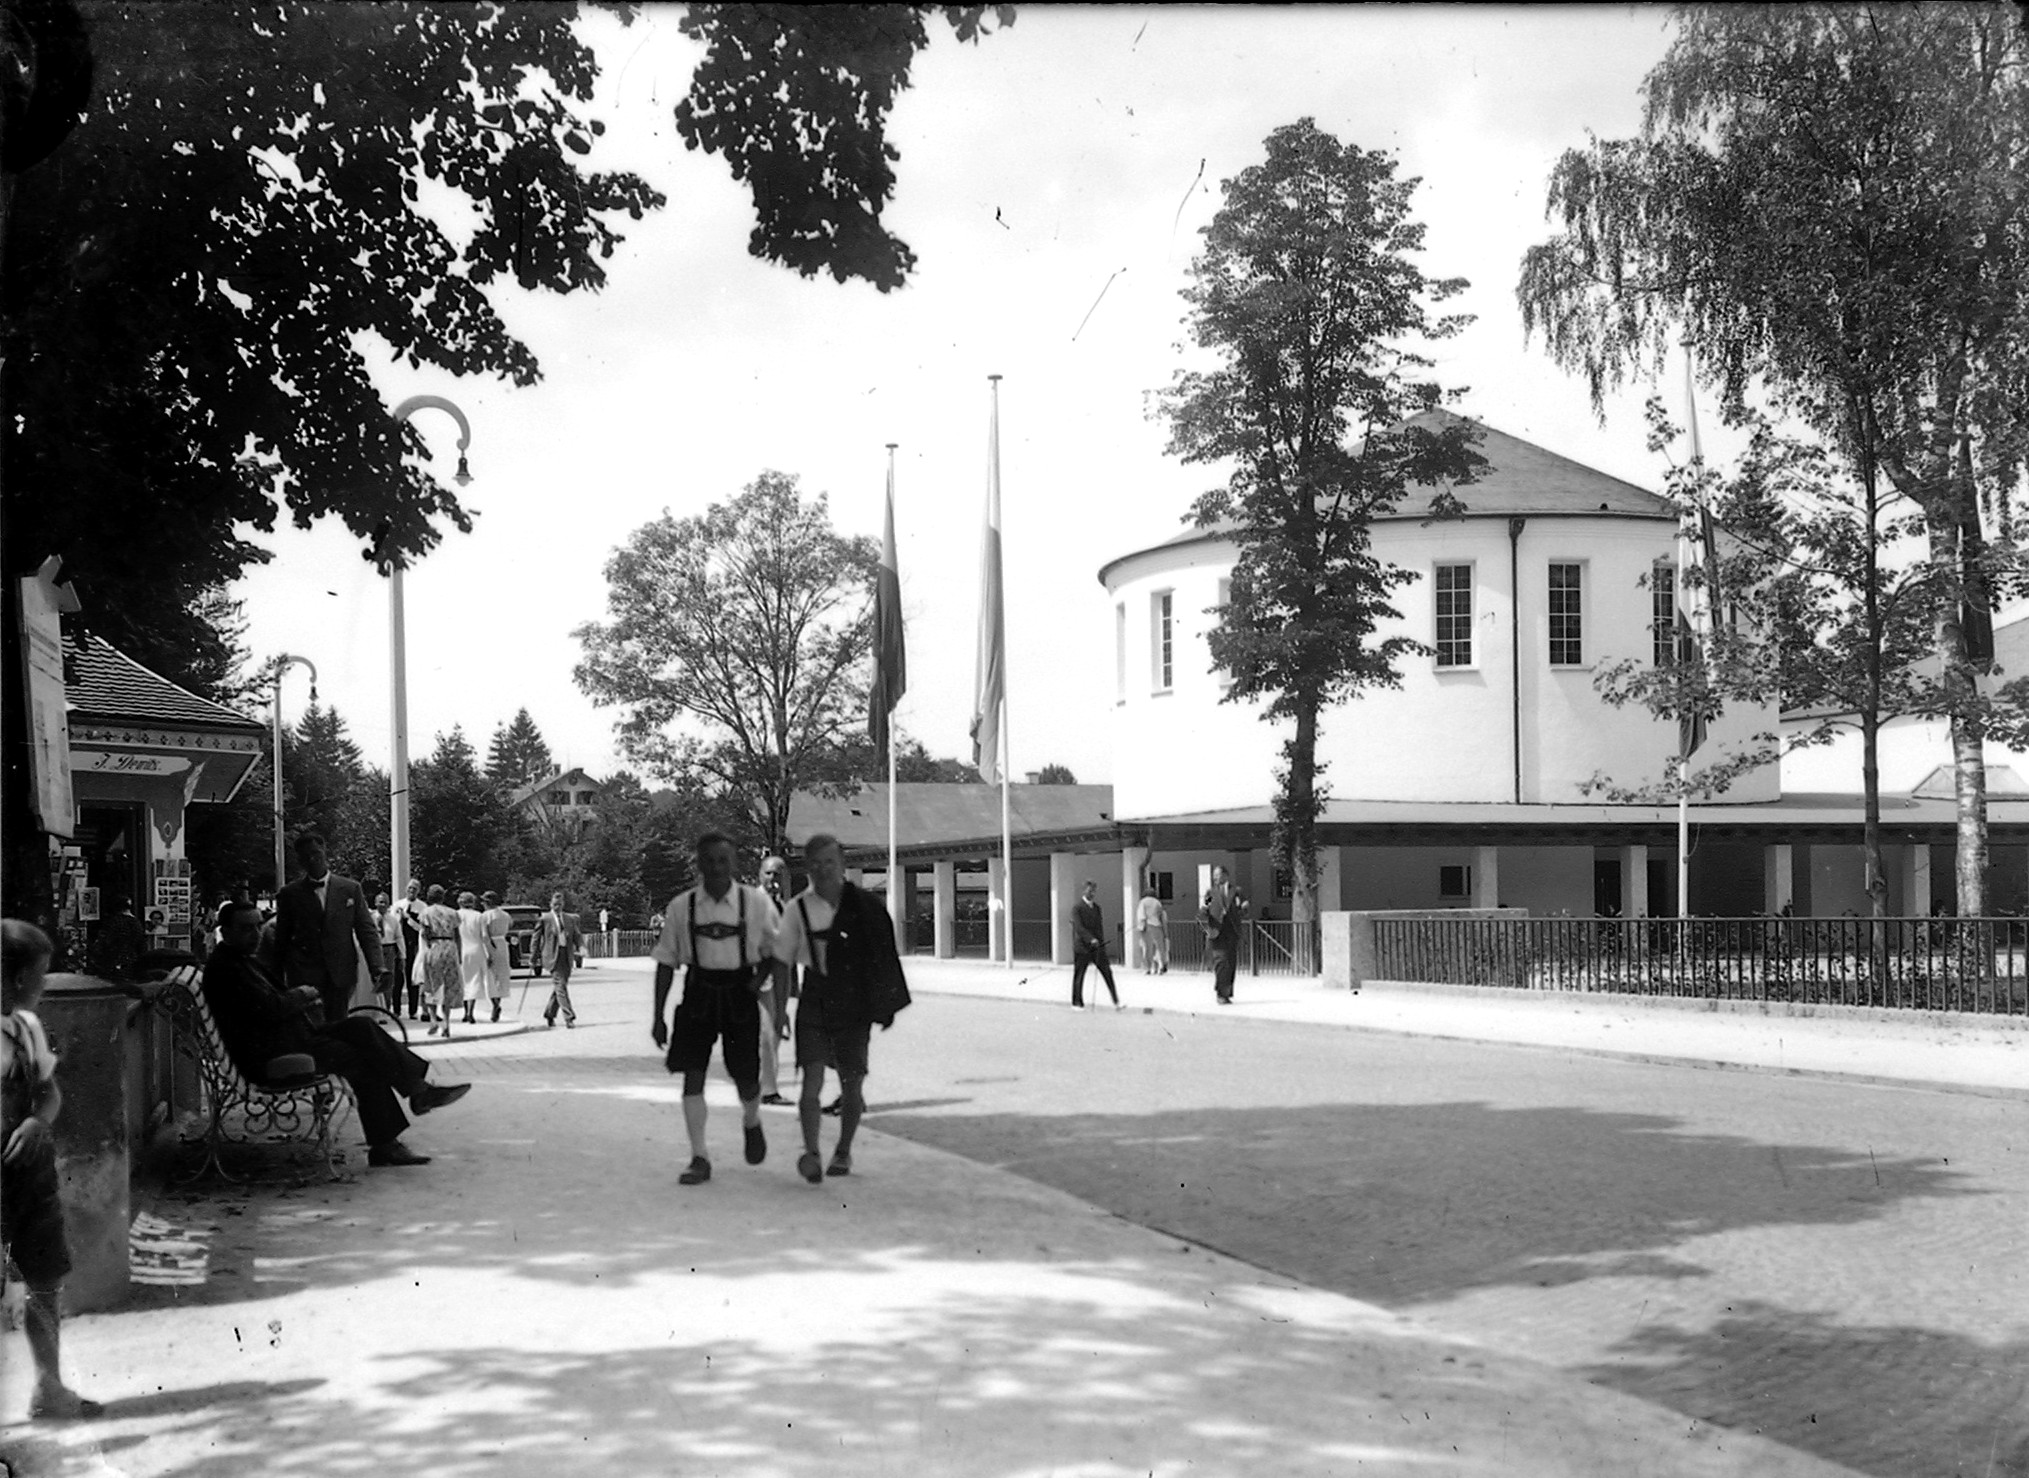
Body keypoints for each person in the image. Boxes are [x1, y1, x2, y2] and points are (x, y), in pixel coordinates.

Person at [203, 902, 469, 1167]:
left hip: (291, 1037)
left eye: (258, 926)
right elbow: (270, 1008)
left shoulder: (239, 961)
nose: (256, 933)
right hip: (273, 1053)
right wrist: (302, 994)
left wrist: (299, 999)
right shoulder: (227, 969)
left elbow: (269, 1004)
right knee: (362, 1059)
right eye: (246, 928)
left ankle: (417, 1090)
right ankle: (389, 1139)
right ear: (225, 931)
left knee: (362, 1026)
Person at [3, 920, 104, 1421]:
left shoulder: (25, 1028)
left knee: (44, 1278)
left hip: (30, 1176)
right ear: (16, 977)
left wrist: (38, 1122)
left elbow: (49, 1091)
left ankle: (50, 1387)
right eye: (40, 975)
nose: (45, 984)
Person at [771, 833, 908, 1184]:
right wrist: (779, 1010)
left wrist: (886, 1002)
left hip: (854, 1000)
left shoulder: (865, 906)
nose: (821, 870)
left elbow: (884, 957)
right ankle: (811, 1152)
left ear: (842, 865)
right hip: (816, 997)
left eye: (828, 862)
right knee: (811, 1079)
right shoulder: (797, 909)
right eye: (814, 864)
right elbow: (782, 962)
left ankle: (844, 1150)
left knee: (852, 1081)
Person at [650, 834, 774, 1186]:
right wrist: (657, 1016)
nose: (717, 868)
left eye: (723, 860)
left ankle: (751, 1120)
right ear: (699, 864)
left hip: (739, 993)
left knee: (747, 1077)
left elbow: (772, 953)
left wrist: (757, 987)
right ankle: (699, 1156)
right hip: (699, 992)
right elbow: (665, 963)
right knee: (693, 1073)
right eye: (709, 861)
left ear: (733, 862)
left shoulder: (754, 903)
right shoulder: (681, 907)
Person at [268, 832, 386, 1026]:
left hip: (341, 972)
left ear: (325, 852)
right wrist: (277, 979)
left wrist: (377, 967)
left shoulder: (350, 889)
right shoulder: (290, 894)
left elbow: (367, 931)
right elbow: (281, 939)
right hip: (304, 975)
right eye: (306, 856)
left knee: (338, 1024)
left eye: (316, 853)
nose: (312, 859)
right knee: (309, 1027)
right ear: (300, 861)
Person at [755, 855, 793, 1105]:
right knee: (767, 1034)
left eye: (777, 874)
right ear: (760, 874)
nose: (772, 879)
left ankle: (763, 1085)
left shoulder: (781, 905)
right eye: (768, 873)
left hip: (777, 977)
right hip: (758, 977)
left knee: (775, 1030)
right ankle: (766, 1090)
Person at [1070, 879, 1121, 1011]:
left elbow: (1099, 927)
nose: (1092, 893)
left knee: (1107, 972)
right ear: (1084, 891)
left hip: (1097, 947)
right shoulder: (1077, 908)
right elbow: (1079, 928)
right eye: (1089, 890)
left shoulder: (1097, 908)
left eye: (1094, 891)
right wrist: (1090, 939)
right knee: (1079, 975)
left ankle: (1116, 1001)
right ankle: (1077, 1003)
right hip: (1083, 947)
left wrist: (1100, 942)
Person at [418, 885, 463, 1037]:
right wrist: (459, 954)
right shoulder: (452, 912)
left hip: (434, 947)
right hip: (450, 947)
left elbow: (425, 933)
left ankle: (433, 1020)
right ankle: (447, 1022)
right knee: (448, 986)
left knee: (431, 984)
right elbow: (458, 935)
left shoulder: (426, 912)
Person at [533, 892, 582, 1029]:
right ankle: (569, 1017)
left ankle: (549, 1014)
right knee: (560, 987)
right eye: (555, 904)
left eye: (559, 904)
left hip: (566, 956)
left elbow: (577, 936)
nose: (557, 907)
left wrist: (582, 947)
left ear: (563, 905)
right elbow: (536, 939)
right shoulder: (545, 919)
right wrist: (533, 957)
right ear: (550, 904)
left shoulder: (570, 919)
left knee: (560, 988)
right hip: (552, 957)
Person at [1200, 866, 1247, 1005]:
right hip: (1216, 931)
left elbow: (1245, 904)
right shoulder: (1210, 892)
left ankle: (1227, 993)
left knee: (1231, 963)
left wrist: (1241, 909)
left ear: (1226, 875)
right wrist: (1204, 918)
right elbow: (1205, 907)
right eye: (1214, 875)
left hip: (1232, 930)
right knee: (1220, 961)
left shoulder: (1236, 890)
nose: (1215, 878)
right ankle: (1220, 992)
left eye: (1218, 875)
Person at [85, 892, 147, 984]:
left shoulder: (113, 922)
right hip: (130, 962)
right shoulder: (136, 923)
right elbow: (141, 945)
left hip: (112, 963)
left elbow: (104, 943)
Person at [455, 891, 488, 1026]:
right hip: (476, 949)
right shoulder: (479, 916)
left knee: (462, 981)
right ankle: (470, 1012)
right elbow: (484, 936)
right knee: (474, 981)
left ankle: (464, 1012)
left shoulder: (456, 915)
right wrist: (489, 953)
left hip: (461, 949)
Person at [480, 891, 512, 1024]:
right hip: (503, 944)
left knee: (490, 977)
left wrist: (488, 953)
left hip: (491, 944)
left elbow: (484, 936)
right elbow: (509, 926)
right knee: (502, 976)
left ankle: (494, 1004)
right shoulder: (505, 915)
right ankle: (498, 1001)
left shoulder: (485, 916)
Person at [396, 880, 426, 1018]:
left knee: (412, 979)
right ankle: (396, 1010)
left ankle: (413, 1011)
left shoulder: (422, 907)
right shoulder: (398, 904)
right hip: (399, 944)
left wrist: (409, 919)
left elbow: (423, 929)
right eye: (409, 888)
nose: (411, 891)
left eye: (414, 889)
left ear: (418, 891)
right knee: (398, 978)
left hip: (414, 945)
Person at [374, 891, 405, 1011]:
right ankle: (376, 1008)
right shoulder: (370, 918)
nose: (383, 905)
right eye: (381, 902)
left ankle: (386, 1008)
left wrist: (402, 955)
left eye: (386, 903)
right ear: (376, 903)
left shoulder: (393, 920)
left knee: (387, 980)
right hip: (375, 949)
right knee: (375, 979)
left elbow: (399, 937)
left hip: (389, 949)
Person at [1137, 888, 1170, 975]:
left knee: (1147, 948)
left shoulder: (1143, 902)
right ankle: (1160, 966)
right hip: (1157, 926)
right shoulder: (1157, 902)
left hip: (1147, 926)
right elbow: (1161, 916)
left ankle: (1148, 968)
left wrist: (1141, 926)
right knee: (1159, 948)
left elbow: (1141, 915)